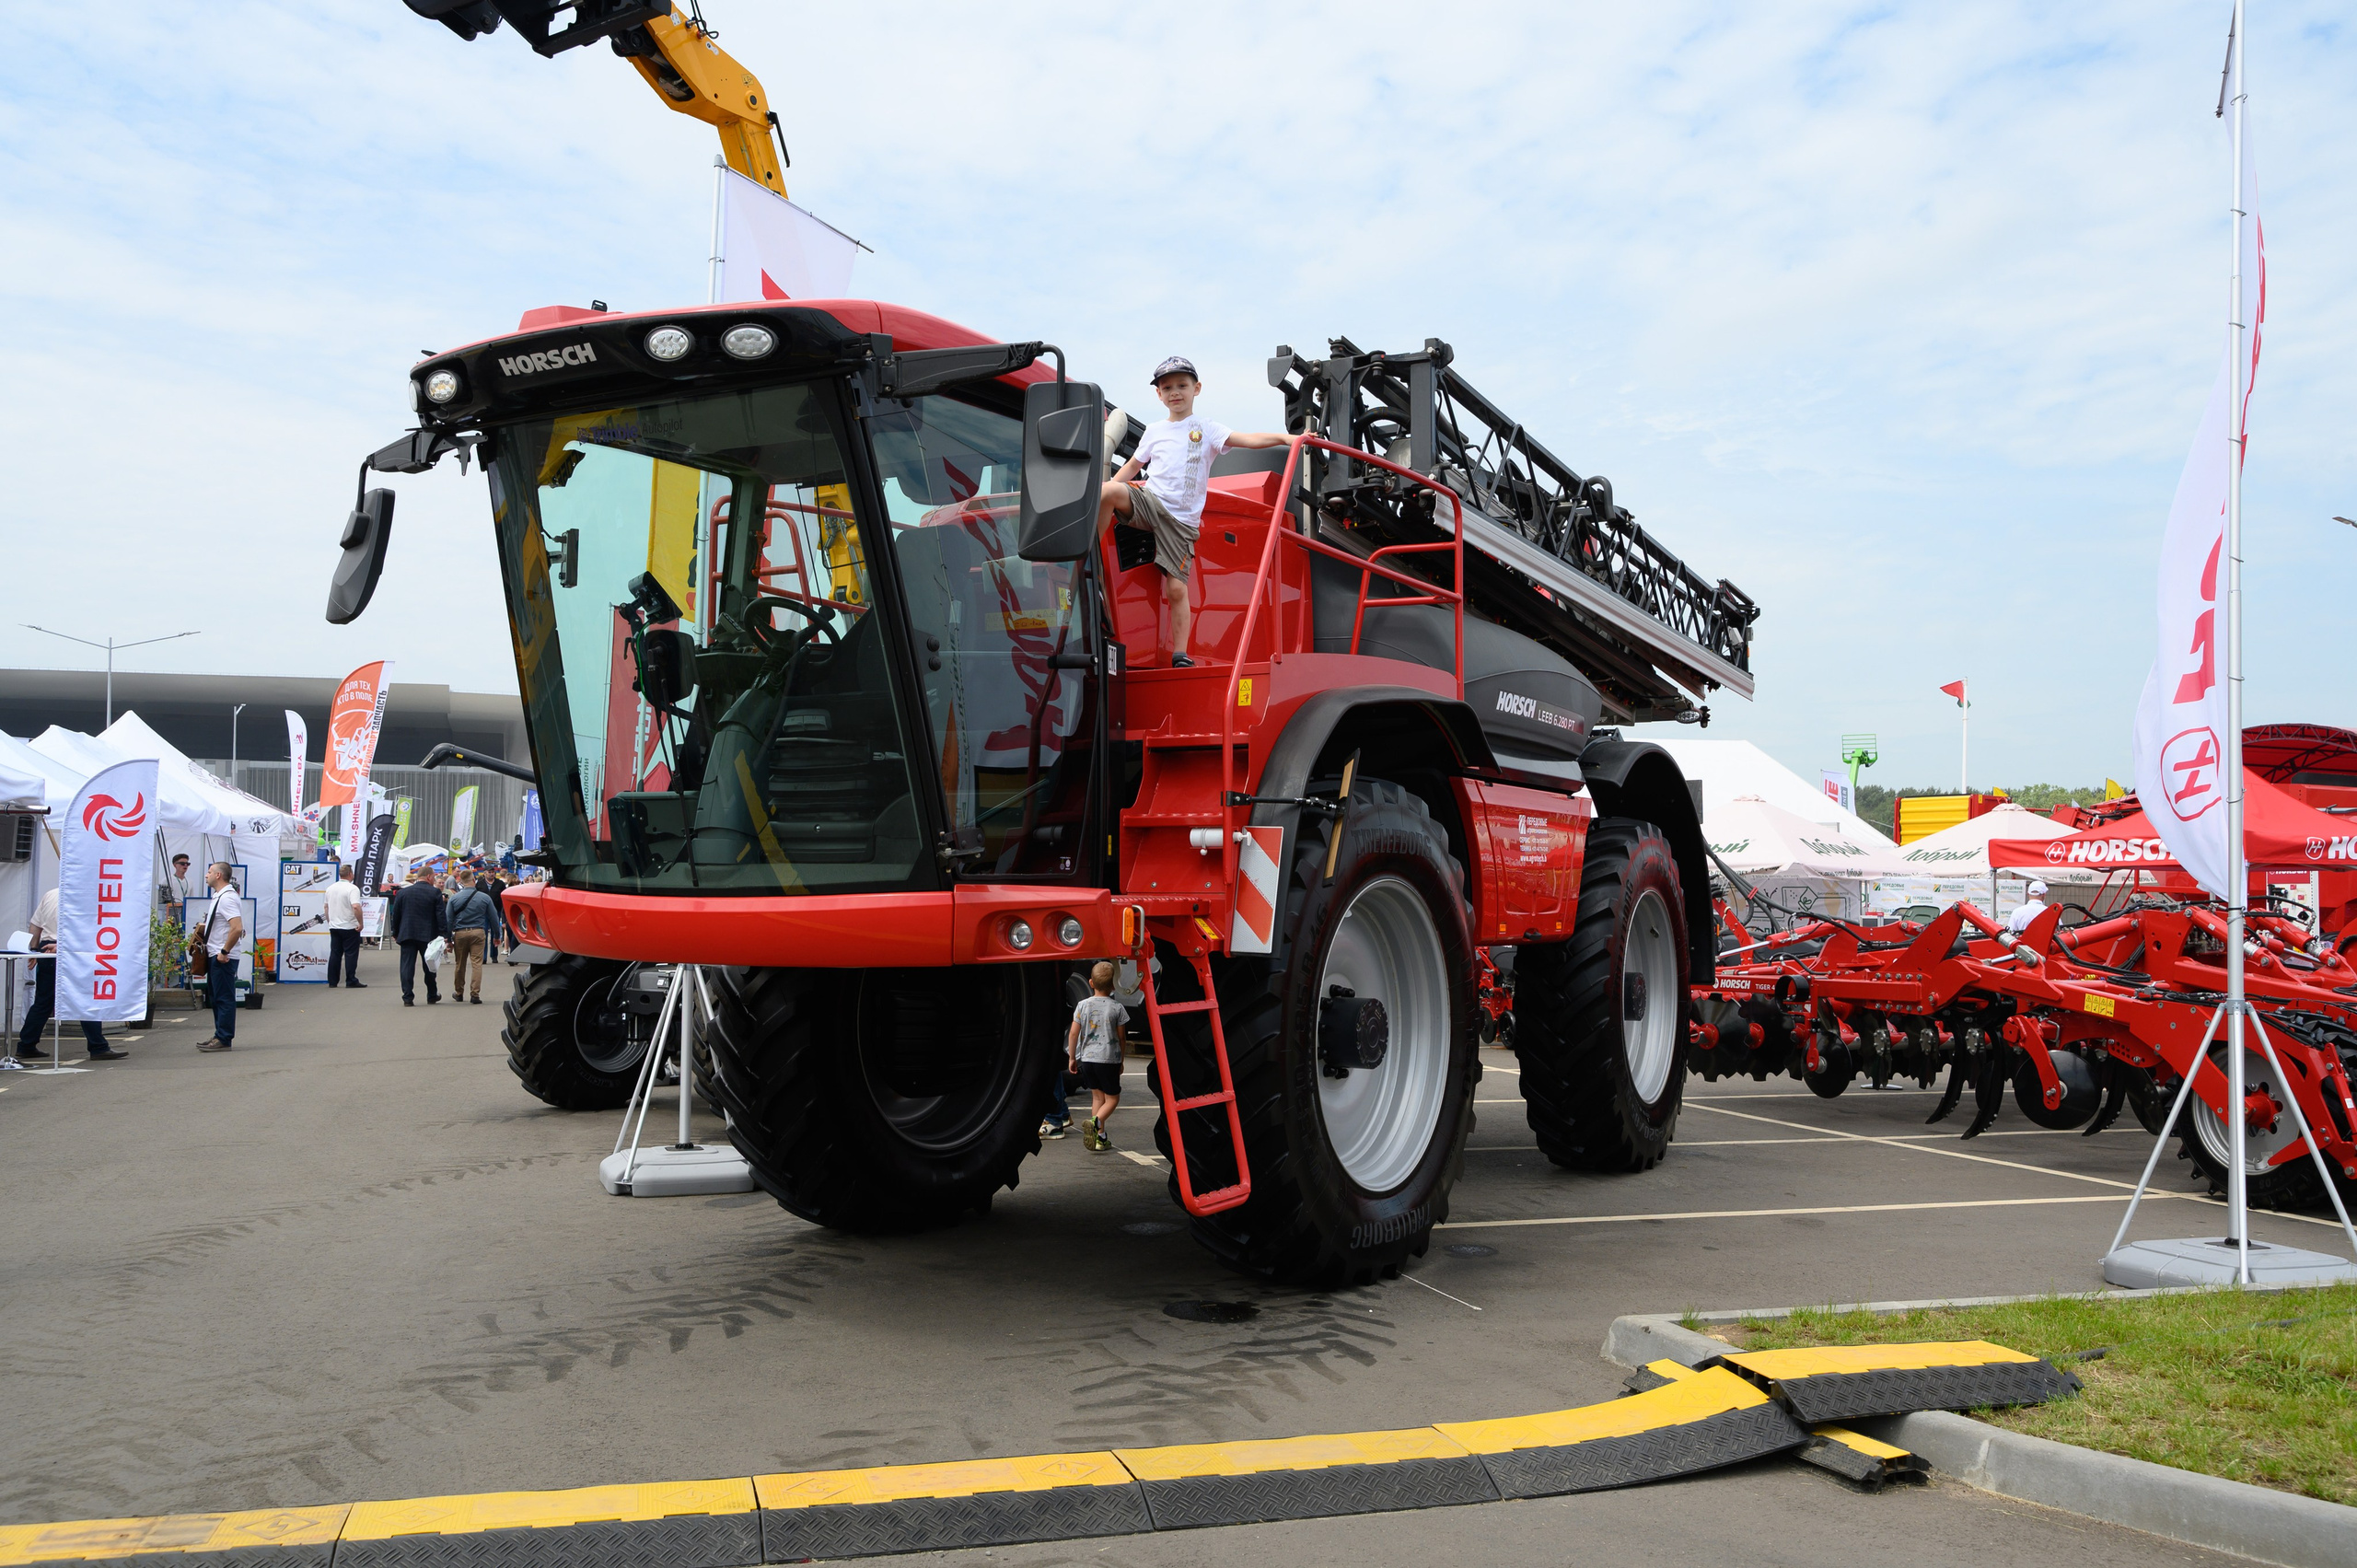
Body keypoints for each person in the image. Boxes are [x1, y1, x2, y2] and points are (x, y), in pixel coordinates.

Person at [1097, 356, 1301, 668]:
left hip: (1180, 522)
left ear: (1197, 388)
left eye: (1182, 385)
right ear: (1159, 395)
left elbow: (1248, 440)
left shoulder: (1206, 428)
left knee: (1176, 588)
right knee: (1107, 491)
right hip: (1151, 501)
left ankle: (1180, 653)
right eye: (1167, 388)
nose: (1175, 392)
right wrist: (1106, 489)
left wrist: (1286, 439)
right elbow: (1133, 466)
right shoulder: (1154, 431)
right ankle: (1091, 556)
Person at [15, 884, 121, 1062]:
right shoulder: (83, 895)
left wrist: (33, 950)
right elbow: (83, 928)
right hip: (69, 948)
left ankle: (26, 1045)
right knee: (85, 998)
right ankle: (98, 1046)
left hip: (46, 948)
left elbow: (35, 925)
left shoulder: (50, 894)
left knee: (43, 1001)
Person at [1066, 959, 1129, 1153]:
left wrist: (1072, 1057)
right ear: (1113, 986)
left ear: (1091, 983)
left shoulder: (1082, 1005)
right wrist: (1121, 1060)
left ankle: (1099, 1138)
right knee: (1112, 1099)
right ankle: (1096, 1123)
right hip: (1108, 1060)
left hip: (1087, 1059)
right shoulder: (1117, 1008)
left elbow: (1073, 1034)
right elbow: (1122, 1038)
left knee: (1097, 1098)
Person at [197, 861, 244, 1052]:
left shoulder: (227, 898)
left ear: (218, 875)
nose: (206, 875)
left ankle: (224, 1037)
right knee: (216, 997)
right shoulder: (220, 896)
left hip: (222, 955)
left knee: (223, 998)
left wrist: (225, 952)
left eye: (209, 872)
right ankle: (220, 1035)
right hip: (216, 953)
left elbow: (237, 928)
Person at [388, 866, 449, 1005]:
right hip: (428, 935)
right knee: (429, 965)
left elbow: (396, 915)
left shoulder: (403, 893)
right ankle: (432, 994)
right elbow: (440, 915)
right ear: (428, 877)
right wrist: (444, 934)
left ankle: (408, 997)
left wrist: (395, 932)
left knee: (407, 966)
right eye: (433, 877)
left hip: (407, 933)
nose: (434, 879)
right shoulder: (435, 892)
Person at [443, 868, 500, 1005]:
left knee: (460, 964)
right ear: (474, 880)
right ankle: (475, 994)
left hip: (460, 933)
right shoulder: (484, 898)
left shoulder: (454, 898)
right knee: (477, 964)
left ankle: (459, 992)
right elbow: (494, 918)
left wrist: (448, 939)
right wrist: (497, 935)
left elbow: (449, 920)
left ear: (461, 882)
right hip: (478, 932)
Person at [325, 864, 366, 988]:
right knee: (351, 954)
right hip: (349, 925)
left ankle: (332, 981)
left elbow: (326, 907)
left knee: (335, 953)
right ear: (350, 874)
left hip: (334, 925)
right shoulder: (352, 889)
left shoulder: (330, 888)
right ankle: (351, 979)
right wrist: (360, 922)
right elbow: (356, 906)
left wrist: (329, 921)